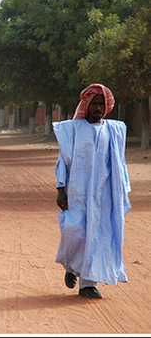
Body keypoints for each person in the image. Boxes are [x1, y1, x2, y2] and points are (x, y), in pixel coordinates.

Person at [53, 83, 131, 299]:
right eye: (94, 103)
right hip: (78, 191)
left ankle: (88, 284)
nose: (98, 108)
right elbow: (63, 161)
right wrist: (61, 188)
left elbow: (120, 164)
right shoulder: (73, 129)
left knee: (99, 235)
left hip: (105, 194)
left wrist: (123, 191)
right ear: (85, 105)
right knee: (75, 230)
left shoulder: (114, 130)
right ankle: (72, 267)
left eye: (101, 104)